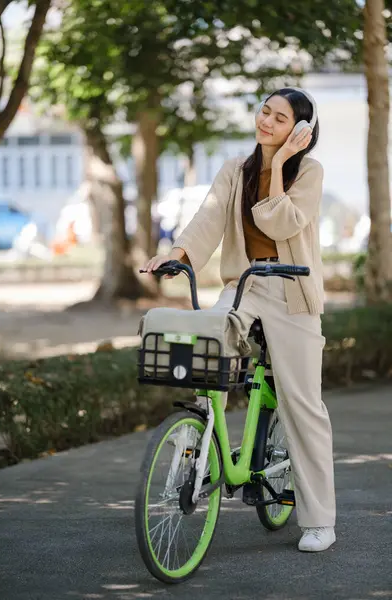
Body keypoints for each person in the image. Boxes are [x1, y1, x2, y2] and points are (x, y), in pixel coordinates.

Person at [143, 88, 336, 553]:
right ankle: (200, 442)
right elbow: (205, 220)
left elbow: (282, 223)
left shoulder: (309, 171)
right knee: (206, 349)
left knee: (303, 404)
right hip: (244, 284)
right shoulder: (235, 169)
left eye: (280, 118)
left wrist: (280, 165)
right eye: (264, 111)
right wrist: (174, 255)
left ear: (300, 131)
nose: (266, 121)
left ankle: (319, 520)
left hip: (292, 290)